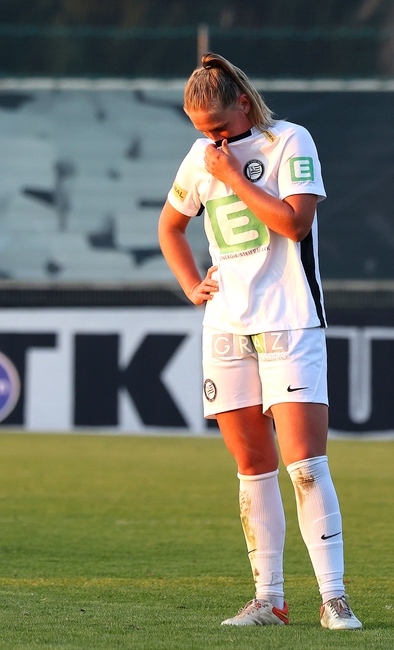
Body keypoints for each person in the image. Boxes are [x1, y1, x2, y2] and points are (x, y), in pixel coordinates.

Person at [158, 53, 361, 630]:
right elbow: (169, 226)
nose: (213, 143)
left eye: (220, 128)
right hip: (226, 325)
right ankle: (268, 599)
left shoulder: (290, 141)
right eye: (203, 134)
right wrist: (191, 283)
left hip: (290, 319)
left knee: (305, 464)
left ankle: (334, 596)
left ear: (243, 103)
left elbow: (294, 224)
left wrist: (227, 177)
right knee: (252, 465)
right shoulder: (203, 156)